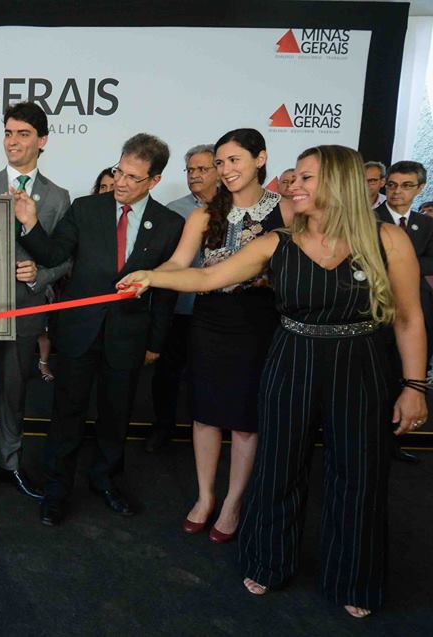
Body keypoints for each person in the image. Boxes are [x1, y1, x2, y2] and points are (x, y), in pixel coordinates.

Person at [119, 144, 427, 618]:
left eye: (305, 178)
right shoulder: (276, 242)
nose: (291, 184)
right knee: (279, 468)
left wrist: (414, 386)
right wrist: (150, 277)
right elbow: (207, 278)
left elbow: (408, 318)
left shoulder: (388, 240)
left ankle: (353, 578)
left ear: (339, 182)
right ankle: (268, 561)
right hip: (291, 360)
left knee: (359, 475)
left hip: (361, 366)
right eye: (293, 177)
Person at [14, 133, 184, 525]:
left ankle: (105, 480)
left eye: (133, 177)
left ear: (154, 180)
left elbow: (166, 291)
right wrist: (31, 223)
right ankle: (57, 489)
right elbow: (53, 255)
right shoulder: (86, 208)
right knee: (66, 413)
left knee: (116, 415)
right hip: (79, 332)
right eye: (118, 171)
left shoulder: (169, 224)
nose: (121, 182)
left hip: (129, 336)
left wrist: (156, 343)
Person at [147, 130, 290, 542]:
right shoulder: (203, 215)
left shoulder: (287, 211)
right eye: (220, 162)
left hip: (259, 323)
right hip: (209, 321)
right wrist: (148, 277)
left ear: (260, 159)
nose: (225, 170)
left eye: (234, 160)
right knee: (205, 413)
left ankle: (233, 503)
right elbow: (178, 264)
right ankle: (206, 496)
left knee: (246, 420)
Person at [0, 102, 71, 502]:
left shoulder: (58, 197)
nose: (12, 141)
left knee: (14, 393)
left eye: (23, 134)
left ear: (42, 141)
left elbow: (65, 259)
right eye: (8, 133)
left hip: (26, 311)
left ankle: (10, 463)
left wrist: (38, 274)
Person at [147, 144, 219, 453]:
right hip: (178, 308)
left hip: (219, 311)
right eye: (190, 170)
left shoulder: (237, 209)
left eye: (202, 169)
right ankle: (162, 427)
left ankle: (206, 431)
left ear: (219, 171)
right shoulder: (174, 211)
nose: (194, 175)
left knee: (209, 375)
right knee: (167, 373)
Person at [375, 160, 432, 464]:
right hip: (377, 313)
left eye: (407, 185)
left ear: (420, 188)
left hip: (415, 311)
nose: (397, 191)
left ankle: (393, 443)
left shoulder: (426, 224)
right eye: (392, 185)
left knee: (405, 379)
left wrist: (400, 262)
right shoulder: (370, 219)